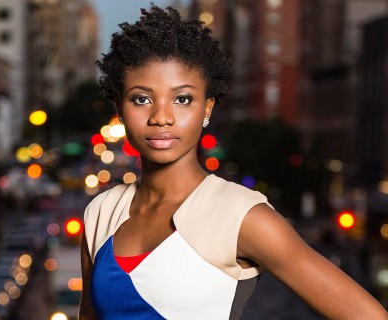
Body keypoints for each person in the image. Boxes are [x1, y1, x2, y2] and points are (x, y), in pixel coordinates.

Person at [78, 5, 388, 320]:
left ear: (207, 109)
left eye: (182, 99)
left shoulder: (242, 215)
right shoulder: (102, 211)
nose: (161, 117)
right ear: (119, 107)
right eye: (142, 99)